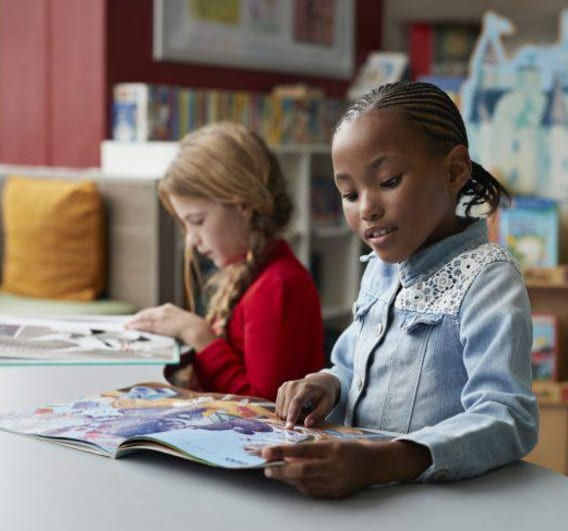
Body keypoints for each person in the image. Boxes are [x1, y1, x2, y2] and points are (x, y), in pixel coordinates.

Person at [261, 82, 539, 498]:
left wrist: (383, 461)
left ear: (453, 171)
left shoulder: (488, 278)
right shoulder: (379, 268)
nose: (367, 208)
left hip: (433, 505)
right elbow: (352, 368)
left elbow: (507, 416)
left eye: (388, 181)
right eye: (350, 194)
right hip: (363, 496)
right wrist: (327, 383)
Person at [126, 122, 324, 401]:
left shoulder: (277, 286)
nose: (192, 241)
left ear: (243, 206)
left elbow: (263, 407)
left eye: (197, 221)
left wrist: (199, 335)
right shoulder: (246, 271)